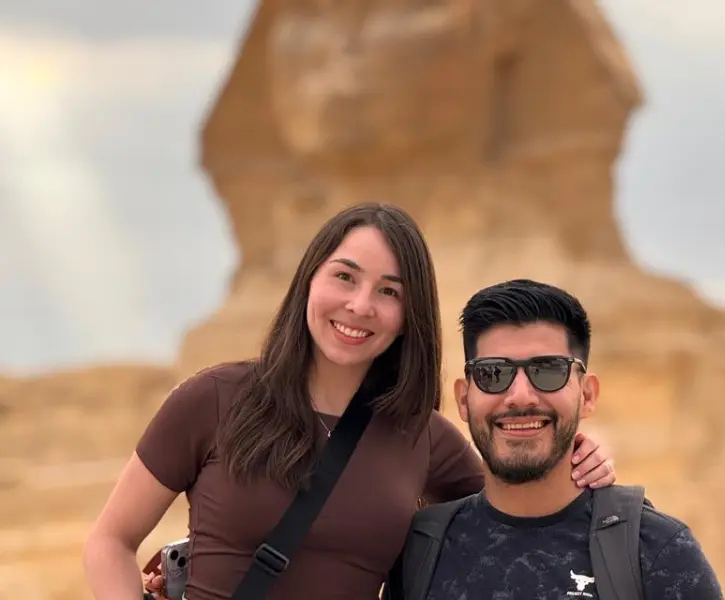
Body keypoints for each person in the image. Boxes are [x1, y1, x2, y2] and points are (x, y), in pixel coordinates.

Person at [82, 204, 617, 600]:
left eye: (390, 291)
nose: (360, 306)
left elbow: (519, 508)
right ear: (309, 280)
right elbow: (110, 540)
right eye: (345, 277)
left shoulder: (422, 436)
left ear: (410, 315)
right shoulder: (214, 398)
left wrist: (580, 453)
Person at [385, 279, 724, 600]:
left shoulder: (657, 551)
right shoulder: (422, 552)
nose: (520, 396)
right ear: (463, 399)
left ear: (587, 395)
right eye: (494, 373)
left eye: (547, 371)